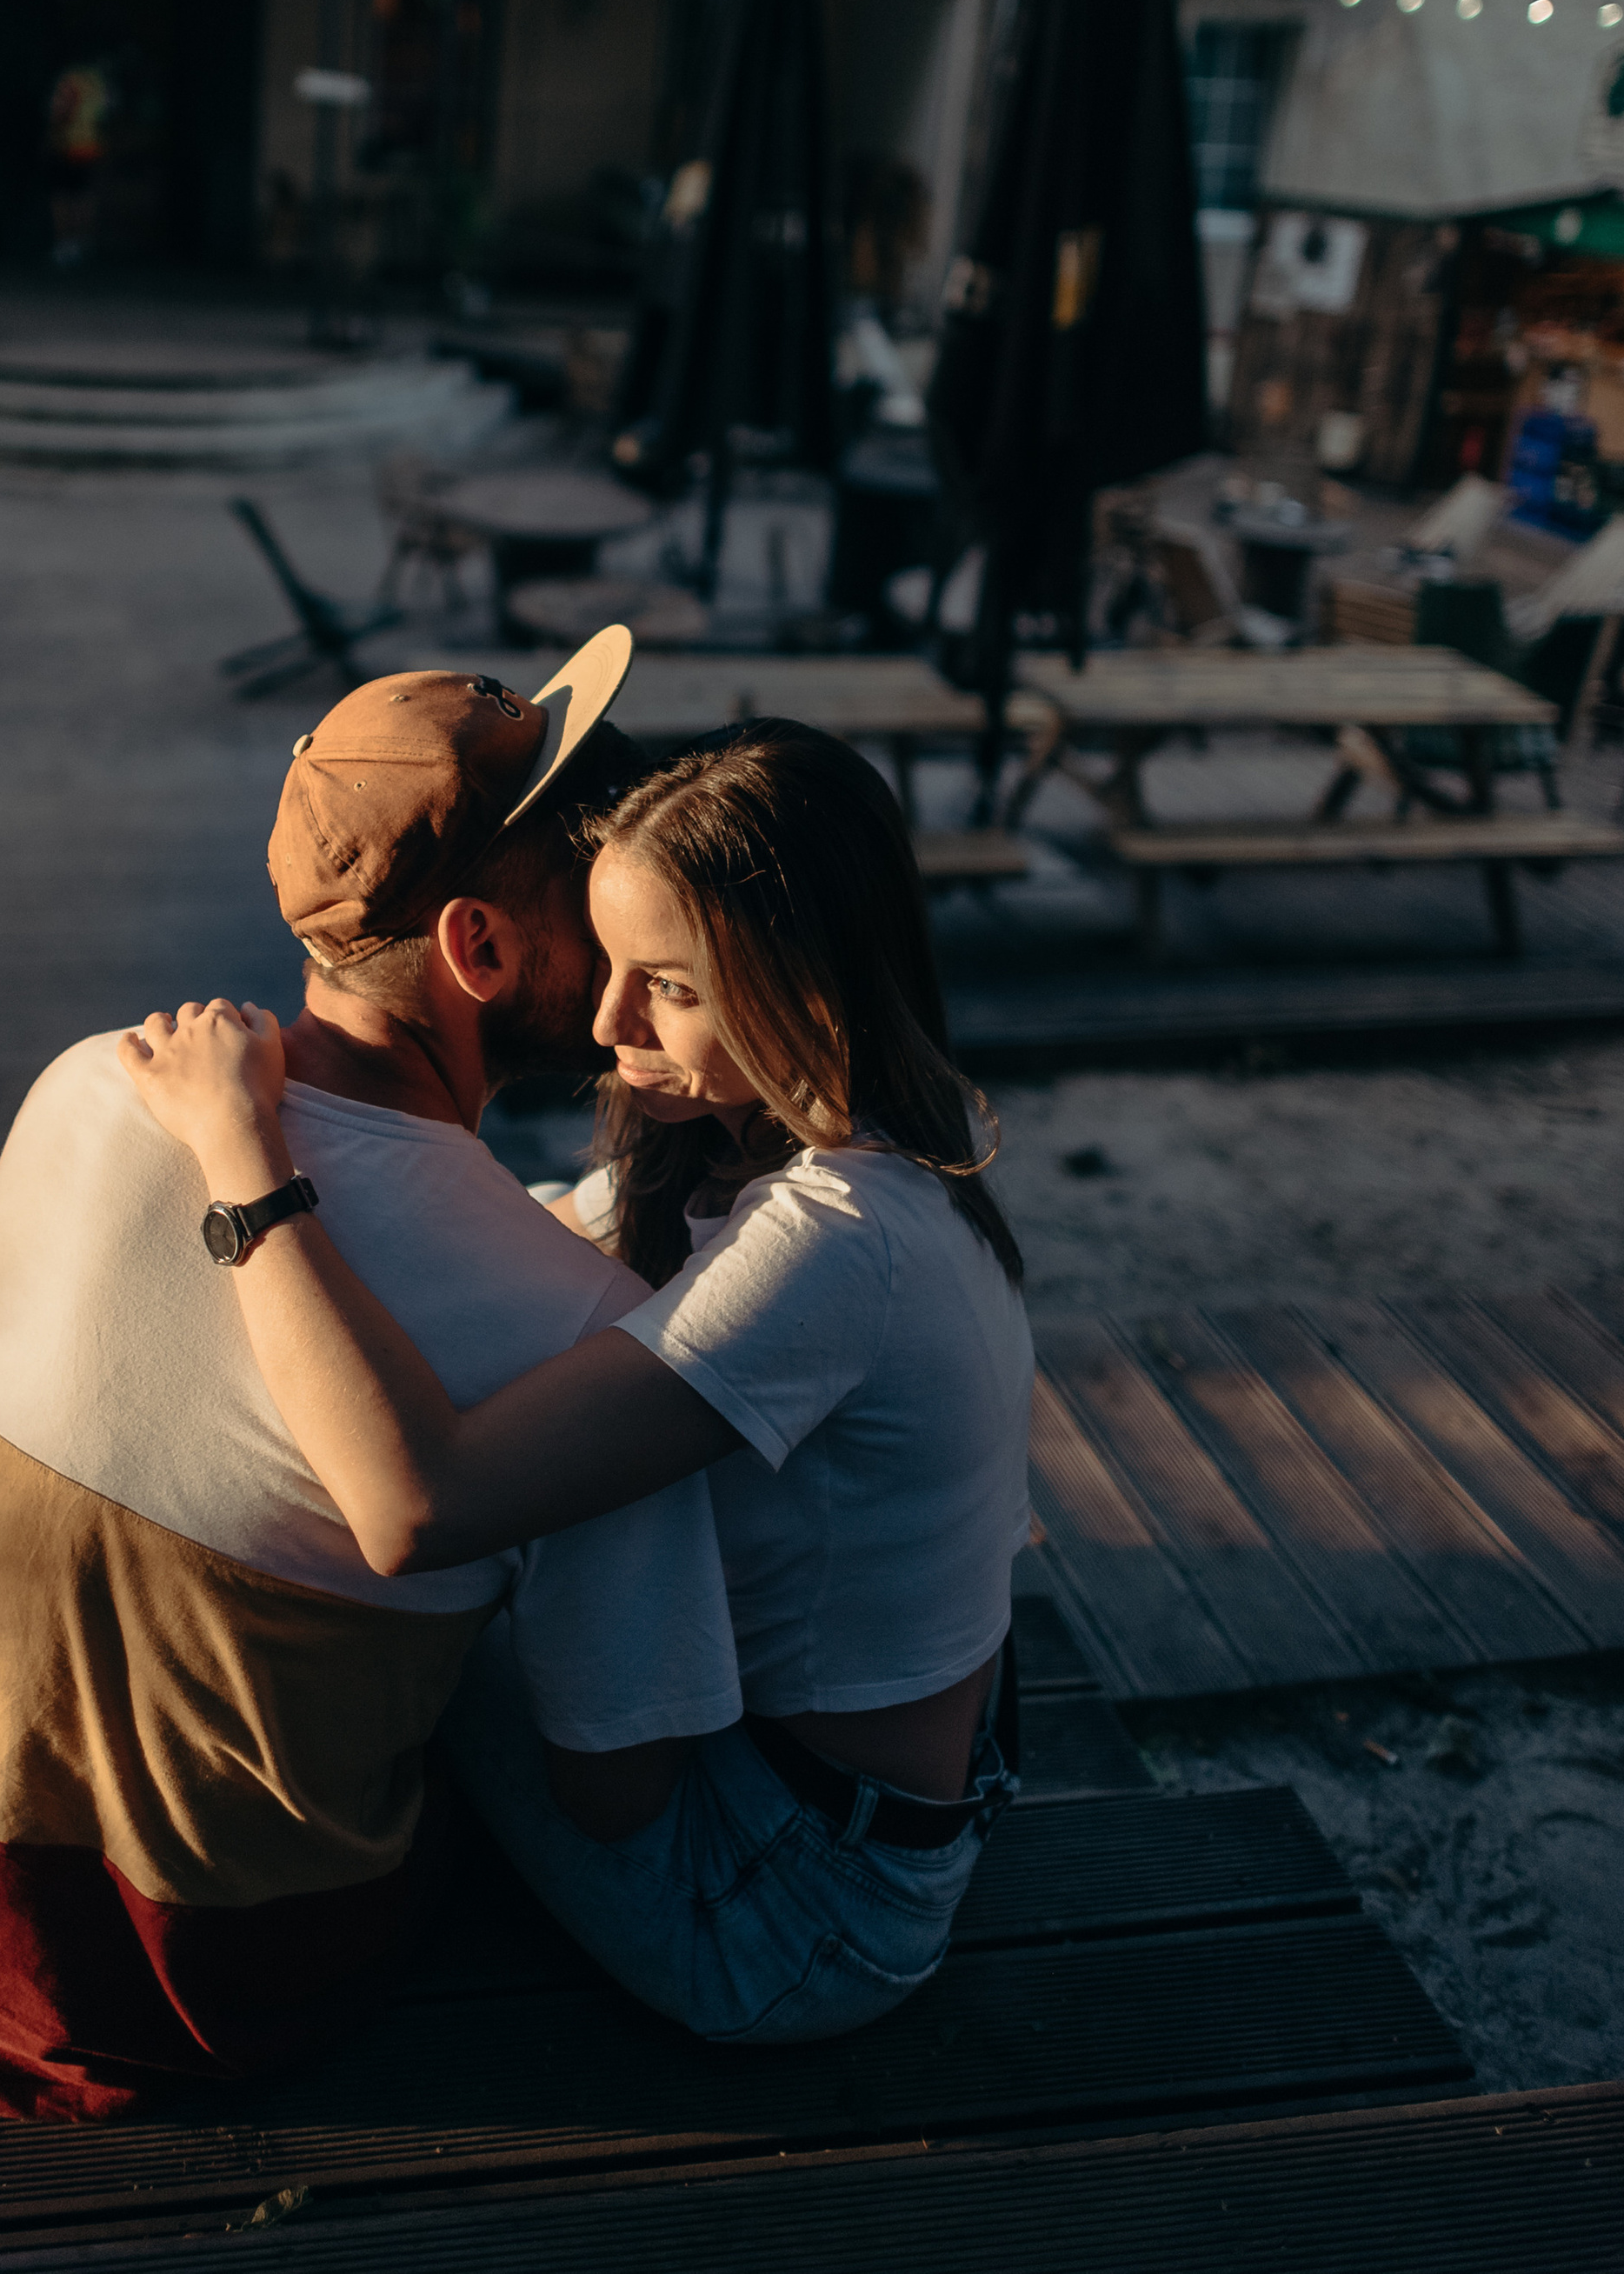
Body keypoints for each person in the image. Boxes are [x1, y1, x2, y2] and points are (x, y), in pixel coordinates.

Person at [0, 632, 741, 2124]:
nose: (621, 893)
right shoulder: (578, 1313)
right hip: (231, 1975)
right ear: (482, 948)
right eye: (588, 870)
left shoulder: (84, 1077)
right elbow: (619, 1787)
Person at [123, 718, 1034, 2050]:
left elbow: (415, 1502)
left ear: (807, 988)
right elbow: (520, 1252)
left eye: (663, 983)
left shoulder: (840, 1239)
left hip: (801, 1905)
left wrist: (241, 1155)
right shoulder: (760, 1144)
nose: (607, 1022)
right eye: (608, 963)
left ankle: (219, 1931)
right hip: (832, 1803)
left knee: (348, 1619)